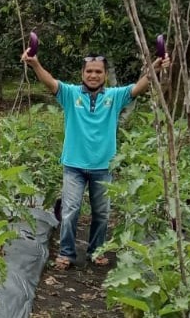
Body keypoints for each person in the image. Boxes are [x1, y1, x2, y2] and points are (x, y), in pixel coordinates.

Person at [21, 47, 169, 270]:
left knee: (102, 213)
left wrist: (155, 68)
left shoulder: (114, 97)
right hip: (74, 165)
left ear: (105, 75)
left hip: (103, 166)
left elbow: (139, 87)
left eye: (98, 71)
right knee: (70, 211)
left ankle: (95, 251)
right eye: (89, 71)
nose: (93, 75)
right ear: (83, 73)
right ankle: (66, 253)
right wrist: (35, 64)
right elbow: (51, 82)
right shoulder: (71, 95)